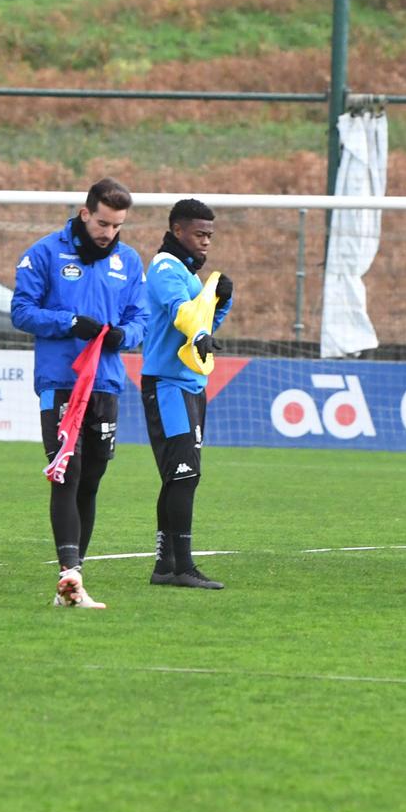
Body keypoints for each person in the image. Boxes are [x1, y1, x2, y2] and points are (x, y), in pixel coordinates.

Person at [11, 177, 148, 610]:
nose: (109, 232)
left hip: (105, 382)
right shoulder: (45, 253)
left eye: (117, 225)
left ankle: (75, 577)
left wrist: (124, 335)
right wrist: (69, 323)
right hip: (61, 382)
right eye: (103, 222)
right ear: (85, 213)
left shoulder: (129, 261)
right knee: (66, 472)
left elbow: (140, 317)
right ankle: (67, 572)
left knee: (92, 478)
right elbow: (21, 311)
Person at [139, 198, 233, 590]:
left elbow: (204, 324)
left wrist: (222, 303)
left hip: (191, 385)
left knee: (182, 477)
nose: (206, 241)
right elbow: (182, 313)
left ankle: (166, 566)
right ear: (177, 231)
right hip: (167, 385)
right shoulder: (165, 268)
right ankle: (182, 567)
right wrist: (197, 331)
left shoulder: (190, 274)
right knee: (182, 474)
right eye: (199, 233)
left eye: (210, 235)